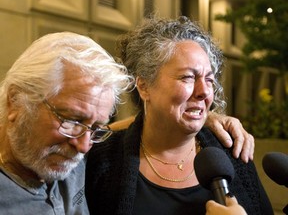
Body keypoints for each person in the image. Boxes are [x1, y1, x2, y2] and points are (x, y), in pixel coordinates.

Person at [85, 16, 273, 215]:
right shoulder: (102, 160)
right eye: (188, 77)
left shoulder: (233, 153)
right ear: (144, 86)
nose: (205, 91)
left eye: (209, 80)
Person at [0, 32, 132, 214]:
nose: (84, 147)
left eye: (96, 128)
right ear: (15, 101)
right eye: (72, 121)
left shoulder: (67, 151)